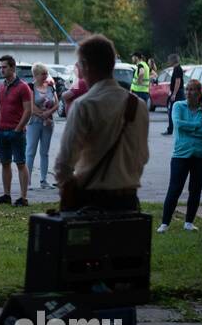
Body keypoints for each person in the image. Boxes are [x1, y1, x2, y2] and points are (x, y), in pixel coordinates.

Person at [53, 35, 150, 211]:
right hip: (128, 202)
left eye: (79, 65)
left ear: (86, 66)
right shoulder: (138, 105)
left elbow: (64, 163)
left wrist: (68, 192)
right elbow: (142, 157)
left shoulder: (84, 105)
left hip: (92, 202)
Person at [157, 77, 202, 232]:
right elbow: (178, 124)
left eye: (192, 89)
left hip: (201, 155)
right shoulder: (178, 106)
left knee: (195, 189)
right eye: (187, 89)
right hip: (181, 154)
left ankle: (189, 222)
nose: (188, 92)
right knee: (174, 189)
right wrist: (197, 126)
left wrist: (193, 129)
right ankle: (165, 223)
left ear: (199, 93)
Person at [0, 55, 33, 206]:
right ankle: (6, 194)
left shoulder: (23, 87)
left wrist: (18, 129)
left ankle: (23, 197)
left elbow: (28, 110)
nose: (1, 70)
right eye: (0, 67)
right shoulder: (1, 86)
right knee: (5, 163)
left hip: (16, 131)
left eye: (4, 67)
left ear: (13, 68)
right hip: (1, 131)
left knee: (21, 163)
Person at [25, 63, 58, 191]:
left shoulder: (50, 86)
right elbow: (31, 107)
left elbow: (56, 103)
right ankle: (26, 181)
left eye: (46, 73)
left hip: (48, 123)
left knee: (45, 152)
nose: (45, 76)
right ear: (36, 75)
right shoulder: (31, 87)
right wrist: (43, 115)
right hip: (34, 122)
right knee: (30, 151)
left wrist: (48, 114)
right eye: (43, 73)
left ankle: (44, 180)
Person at [162, 54, 185, 135]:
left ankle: (171, 130)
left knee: (172, 111)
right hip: (178, 92)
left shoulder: (177, 69)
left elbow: (178, 82)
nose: (168, 61)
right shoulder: (176, 68)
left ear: (173, 60)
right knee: (176, 111)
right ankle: (173, 129)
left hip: (178, 93)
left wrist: (174, 94)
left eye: (169, 60)